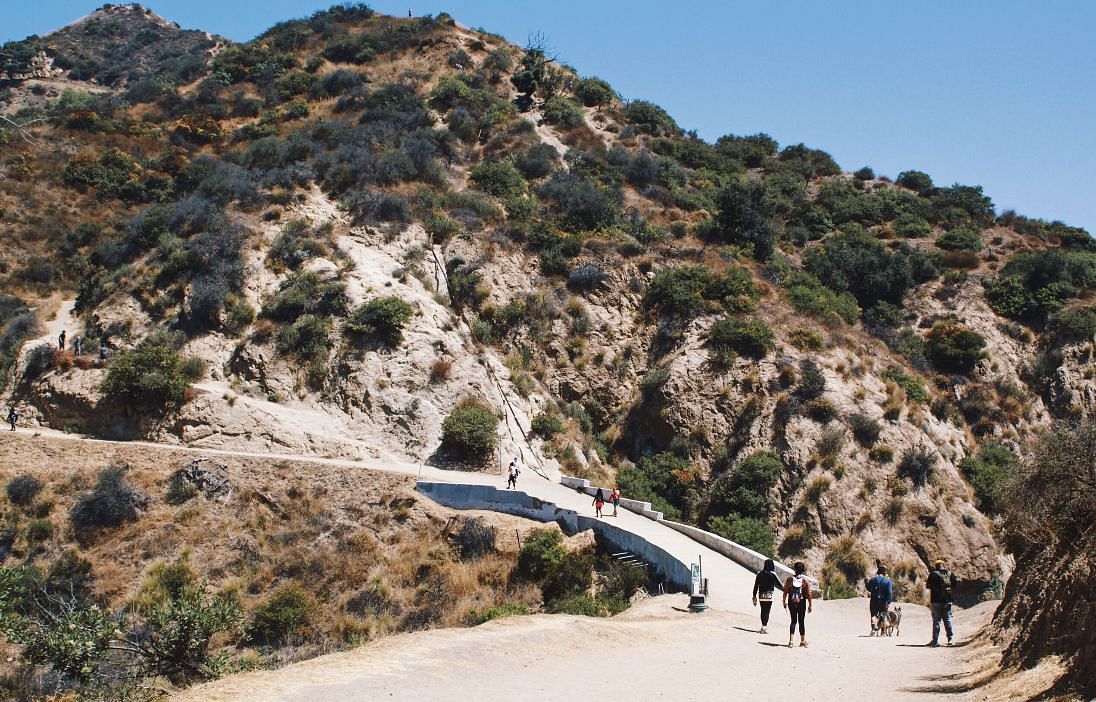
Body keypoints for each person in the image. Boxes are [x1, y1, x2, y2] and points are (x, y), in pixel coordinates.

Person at [926, 558, 958, 646]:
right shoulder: (950, 574)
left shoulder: (933, 574)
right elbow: (955, 585)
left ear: (936, 566)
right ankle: (950, 640)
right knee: (947, 620)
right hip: (948, 600)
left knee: (936, 621)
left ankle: (935, 641)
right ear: (943, 565)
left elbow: (927, 586)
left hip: (936, 600)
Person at [782, 561, 813, 647]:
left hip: (791, 602)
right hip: (801, 602)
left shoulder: (789, 579)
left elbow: (785, 592)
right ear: (802, 570)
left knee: (793, 621)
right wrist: (810, 605)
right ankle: (802, 641)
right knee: (801, 621)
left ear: (794, 569)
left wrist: (784, 601)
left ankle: (791, 641)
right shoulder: (804, 581)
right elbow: (809, 594)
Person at [751, 558, 783, 634]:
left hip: (761, 594)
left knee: (762, 610)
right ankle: (764, 627)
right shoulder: (773, 574)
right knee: (767, 611)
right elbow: (780, 585)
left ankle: (763, 626)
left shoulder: (759, 573)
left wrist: (754, 595)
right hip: (769, 595)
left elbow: (756, 585)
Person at [866, 565, 894, 635]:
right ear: (884, 574)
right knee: (883, 616)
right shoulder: (888, 582)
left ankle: (873, 629)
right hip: (883, 602)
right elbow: (889, 593)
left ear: (877, 573)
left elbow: (869, 589)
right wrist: (888, 602)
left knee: (873, 615)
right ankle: (883, 632)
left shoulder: (872, 580)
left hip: (873, 601)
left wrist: (866, 583)